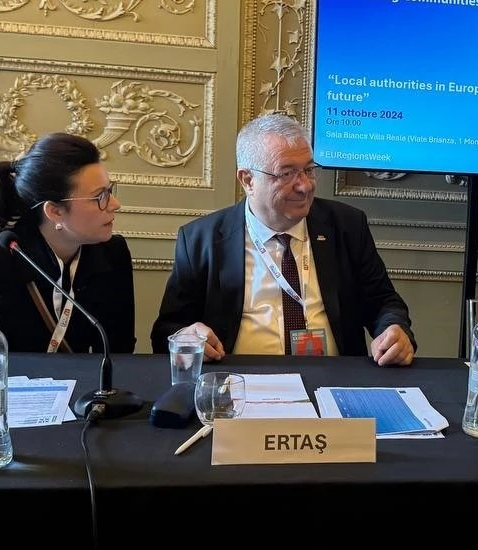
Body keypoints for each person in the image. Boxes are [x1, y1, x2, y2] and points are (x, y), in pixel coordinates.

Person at [150, 113, 417, 365]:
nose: (305, 186)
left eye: (309, 170)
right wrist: (184, 338)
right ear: (248, 180)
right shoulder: (201, 240)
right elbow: (167, 331)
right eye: (287, 173)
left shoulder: (346, 225)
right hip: (239, 379)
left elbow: (383, 302)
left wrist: (394, 329)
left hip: (332, 376)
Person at [0, 132, 136, 354]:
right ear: (54, 211)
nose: (115, 204)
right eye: (100, 197)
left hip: (83, 377)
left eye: (109, 191)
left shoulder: (113, 254)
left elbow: (119, 352)